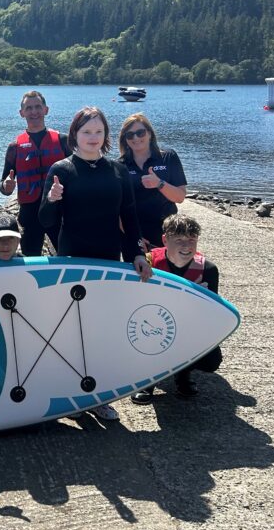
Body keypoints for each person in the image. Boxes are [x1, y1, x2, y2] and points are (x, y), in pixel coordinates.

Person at [39, 106, 152, 421]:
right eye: (86, 131)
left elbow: (129, 217)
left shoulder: (117, 171)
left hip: (107, 259)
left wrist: (136, 254)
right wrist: (52, 199)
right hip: (72, 258)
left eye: (98, 131)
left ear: (105, 135)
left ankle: (97, 397)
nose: (92, 137)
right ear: (75, 134)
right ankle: (70, 396)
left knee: (101, 330)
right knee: (70, 330)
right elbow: (45, 220)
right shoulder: (61, 170)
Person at [132, 213, 223, 404]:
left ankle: (183, 372)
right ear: (165, 240)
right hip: (151, 322)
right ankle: (147, 379)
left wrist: (200, 301)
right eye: (179, 240)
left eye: (192, 240)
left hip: (186, 324)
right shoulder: (147, 263)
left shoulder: (207, 270)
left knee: (211, 360)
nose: (186, 246)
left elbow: (212, 314)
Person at [0, 91, 69, 255]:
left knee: (67, 255)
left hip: (59, 211)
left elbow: (77, 176)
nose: (34, 111)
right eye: (28, 108)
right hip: (29, 214)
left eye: (38, 107)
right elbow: (3, 186)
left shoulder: (63, 141)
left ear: (46, 110)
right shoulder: (15, 147)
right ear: (21, 113)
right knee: (30, 258)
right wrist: (6, 186)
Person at [117, 113, 187, 248]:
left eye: (140, 133)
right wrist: (134, 236)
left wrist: (159, 183)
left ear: (149, 133)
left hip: (168, 232)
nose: (136, 138)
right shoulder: (120, 165)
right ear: (125, 139)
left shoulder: (168, 157)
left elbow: (180, 197)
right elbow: (119, 209)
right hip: (136, 233)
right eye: (130, 135)